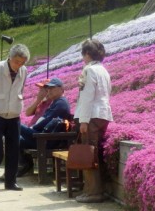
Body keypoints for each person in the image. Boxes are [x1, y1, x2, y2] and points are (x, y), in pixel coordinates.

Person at [0, 43, 30, 191]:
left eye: (22, 63)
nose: (18, 65)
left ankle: (10, 182)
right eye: (16, 62)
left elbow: (21, 89)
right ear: (10, 57)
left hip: (14, 115)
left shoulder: (24, 71)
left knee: (14, 149)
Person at [74, 38, 113, 203]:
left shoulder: (88, 70)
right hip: (103, 114)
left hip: (91, 116)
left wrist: (83, 121)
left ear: (87, 54)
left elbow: (87, 97)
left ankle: (92, 192)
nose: (83, 58)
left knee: (89, 153)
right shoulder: (103, 70)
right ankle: (99, 189)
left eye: (83, 54)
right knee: (96, 153)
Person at [17, 77, 71, 177]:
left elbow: (45, 122)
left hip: (46, 140)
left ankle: (25, 165)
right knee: (15, 138)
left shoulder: (61, 103)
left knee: (14, 123)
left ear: (61, 89)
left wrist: (31, 129)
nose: (48, 91)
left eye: (51, 88)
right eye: (48, 89)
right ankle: (25, 165)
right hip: (43, 137)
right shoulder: (56, 102)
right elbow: (41, 120)